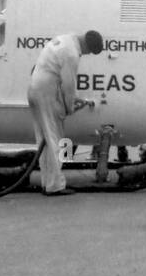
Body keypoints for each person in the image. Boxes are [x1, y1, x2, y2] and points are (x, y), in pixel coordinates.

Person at [27, 30, 104, 196]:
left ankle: (47, 183)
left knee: (45, 140)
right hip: (47, 93)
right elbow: (68, 86)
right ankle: (55, 186)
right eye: (89, 51)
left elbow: (60, 79)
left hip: (35, 90)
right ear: (87, 45)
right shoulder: (72, 54)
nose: (86, 54)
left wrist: (75, 100)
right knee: (58, 140)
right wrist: (69, 108)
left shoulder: (65, 39)